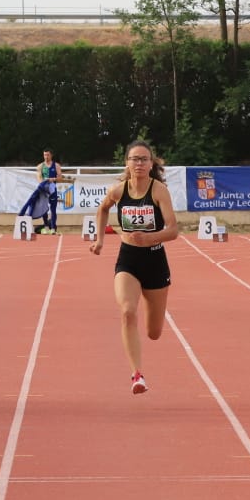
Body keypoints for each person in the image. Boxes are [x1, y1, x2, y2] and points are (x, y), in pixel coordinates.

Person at [89, 139, 179, 394]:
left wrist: (150, 238)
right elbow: (103, 209)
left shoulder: (158, 190)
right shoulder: (118, 190)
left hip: (155, 260)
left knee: (153, 332)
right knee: (128, 311)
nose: (139, 163)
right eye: (134, 159)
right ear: (126, 164)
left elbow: (173, 231)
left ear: (152, 164)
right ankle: (136, 375)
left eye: (144, 159)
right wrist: (99, 240)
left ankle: (153, 320)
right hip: (127, 259)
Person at [38, 149, 61, 234]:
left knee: (53, 209)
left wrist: (53, 179)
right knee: (44, 209)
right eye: (44, 155)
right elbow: (39, 178)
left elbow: (60, 177)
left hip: (52, 189)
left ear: (51, 155)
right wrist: (44, 183)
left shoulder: (56, 165)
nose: (46, 157)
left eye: (47, 155)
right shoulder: (40, 166)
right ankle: (46, 226)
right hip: (44, 190)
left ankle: (53, 228)